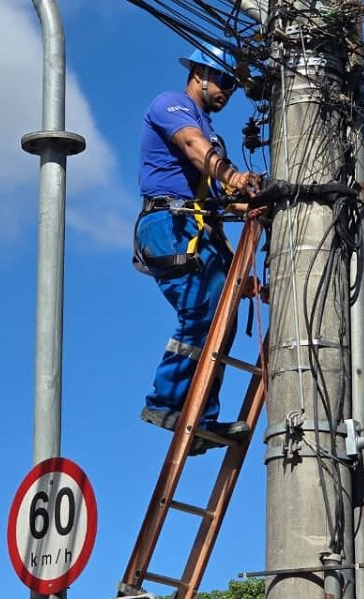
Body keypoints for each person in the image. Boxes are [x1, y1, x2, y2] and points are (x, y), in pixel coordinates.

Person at [133, 43, 262, 453]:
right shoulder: (171, 105)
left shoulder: (215, 137)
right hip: (167, 222)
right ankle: (167, 403)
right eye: (221, 80)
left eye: (232, 85)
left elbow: (226, 193)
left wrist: (266, 200)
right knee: (202, 308)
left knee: (222, 312)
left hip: (197, 225)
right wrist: (234, 176)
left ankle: (200, 416)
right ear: (198, 75)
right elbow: (191, 146)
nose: (227, 90)